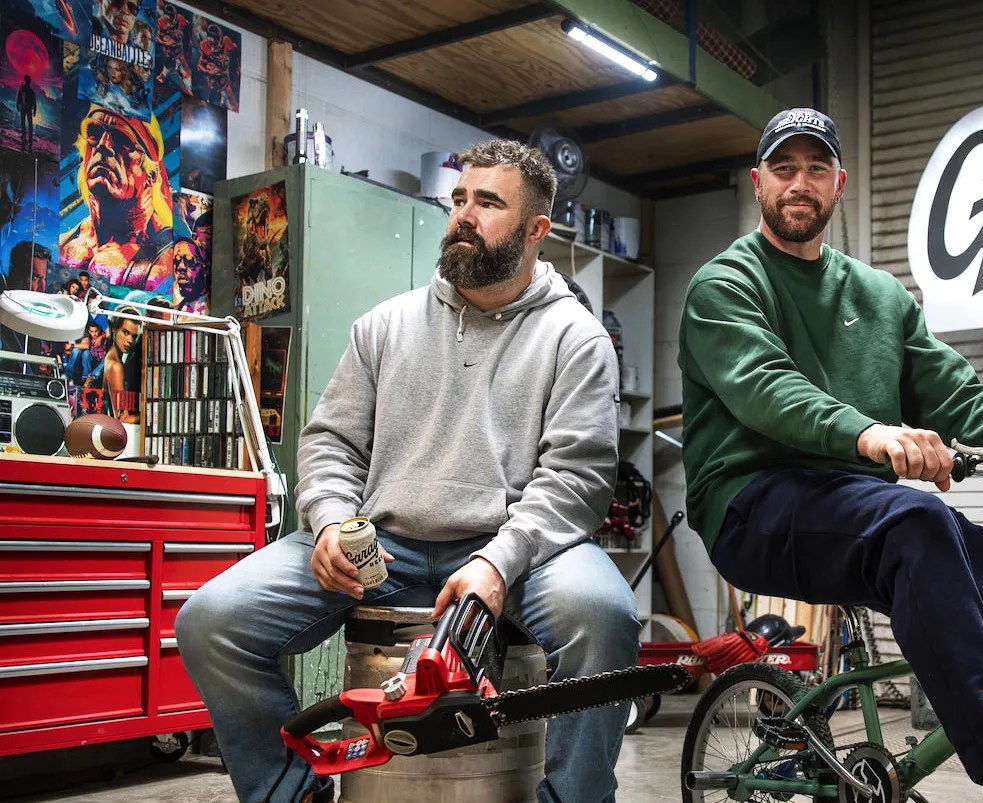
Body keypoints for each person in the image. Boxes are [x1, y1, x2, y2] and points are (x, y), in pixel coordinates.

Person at [678, 108, 983, 803]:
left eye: (816, 168)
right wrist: (873, 435)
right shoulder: (726, 284)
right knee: (915, 521)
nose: (801, 182)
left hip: (853, 506)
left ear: (839, 183)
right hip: (752, 503)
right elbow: (768, 388)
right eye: (785, 168)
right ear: (758, 180)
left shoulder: (880, 297)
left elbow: (957, 396)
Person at [176, 139, 639, 803]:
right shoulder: (384, 327)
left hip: (515, 549)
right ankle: (289, 791)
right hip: (382, 545)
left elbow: (575, 481)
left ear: (537, 229)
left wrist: (497, 563)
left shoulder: (576, 338)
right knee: (210, 619)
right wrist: (332, 522)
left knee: (603, 614)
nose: (464, 215)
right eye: (458, 199)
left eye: (488, 202)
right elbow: (331, 443)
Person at [60, 106, 174, 291]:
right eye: (95, 133)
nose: (104, 146)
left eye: (122, 140)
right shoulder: (65, 243)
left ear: (151, 174)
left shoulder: (167, 261)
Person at [102, 309, 140, 424]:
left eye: (134, 336)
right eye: (126, 332)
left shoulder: (110, 359)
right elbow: (123, 419)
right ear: (114, 329)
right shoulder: (116, 367)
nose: (130, 341)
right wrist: (151, 415)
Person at [15, 75, 36, 153]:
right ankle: (24, 140)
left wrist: (34, 110)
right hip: (24, 108)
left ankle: (29, 141)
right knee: (24, 124)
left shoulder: (31, 91)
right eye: (27, 80)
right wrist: (17, 104)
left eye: (28, 80)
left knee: (29, 125)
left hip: (28, 109)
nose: (27, 81)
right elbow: (18, 97)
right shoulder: (22, 88)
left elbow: (34, 101)